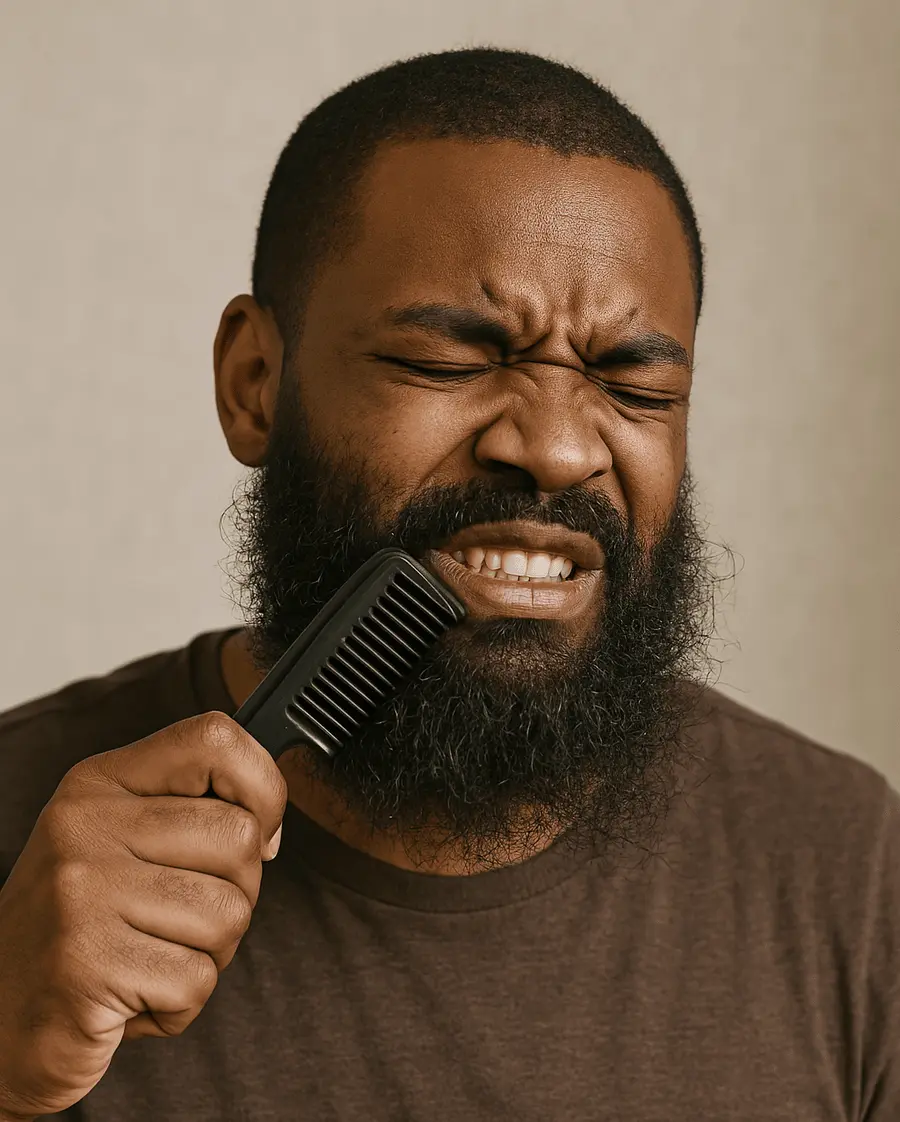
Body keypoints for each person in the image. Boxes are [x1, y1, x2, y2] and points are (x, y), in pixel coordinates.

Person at [0, 46, 896, 1122]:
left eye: (633, 382)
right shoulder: (22, 839)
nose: (558, 450)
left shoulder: (849, 868)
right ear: (254, 386)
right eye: (447, 363)